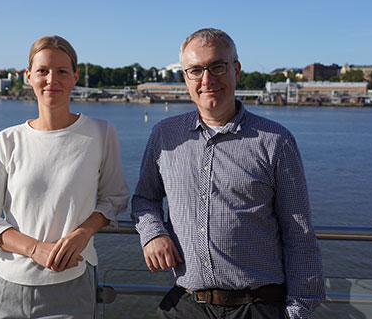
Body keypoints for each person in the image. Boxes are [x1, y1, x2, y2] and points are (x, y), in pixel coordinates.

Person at [131, 28, 325, 319]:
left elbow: (299, 232)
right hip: (186, 303)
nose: (207, 80)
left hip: (257, 305)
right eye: (195, 70)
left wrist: (297, 311)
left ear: (236, 69)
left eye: (217, 67)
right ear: (185, 77)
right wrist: (153, 233)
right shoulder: (165, 136)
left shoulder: (275, 141)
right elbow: (145, 198)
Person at [0, 35, 129, 319]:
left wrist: (83, 233)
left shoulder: (101, 133)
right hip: (4, 286)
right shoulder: (9, 140)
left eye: (62, 71)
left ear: (75, 77)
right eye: (42, 71)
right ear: (29, 76)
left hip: (72, 285)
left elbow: (115, 197)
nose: (51, 79)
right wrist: (35, 249)